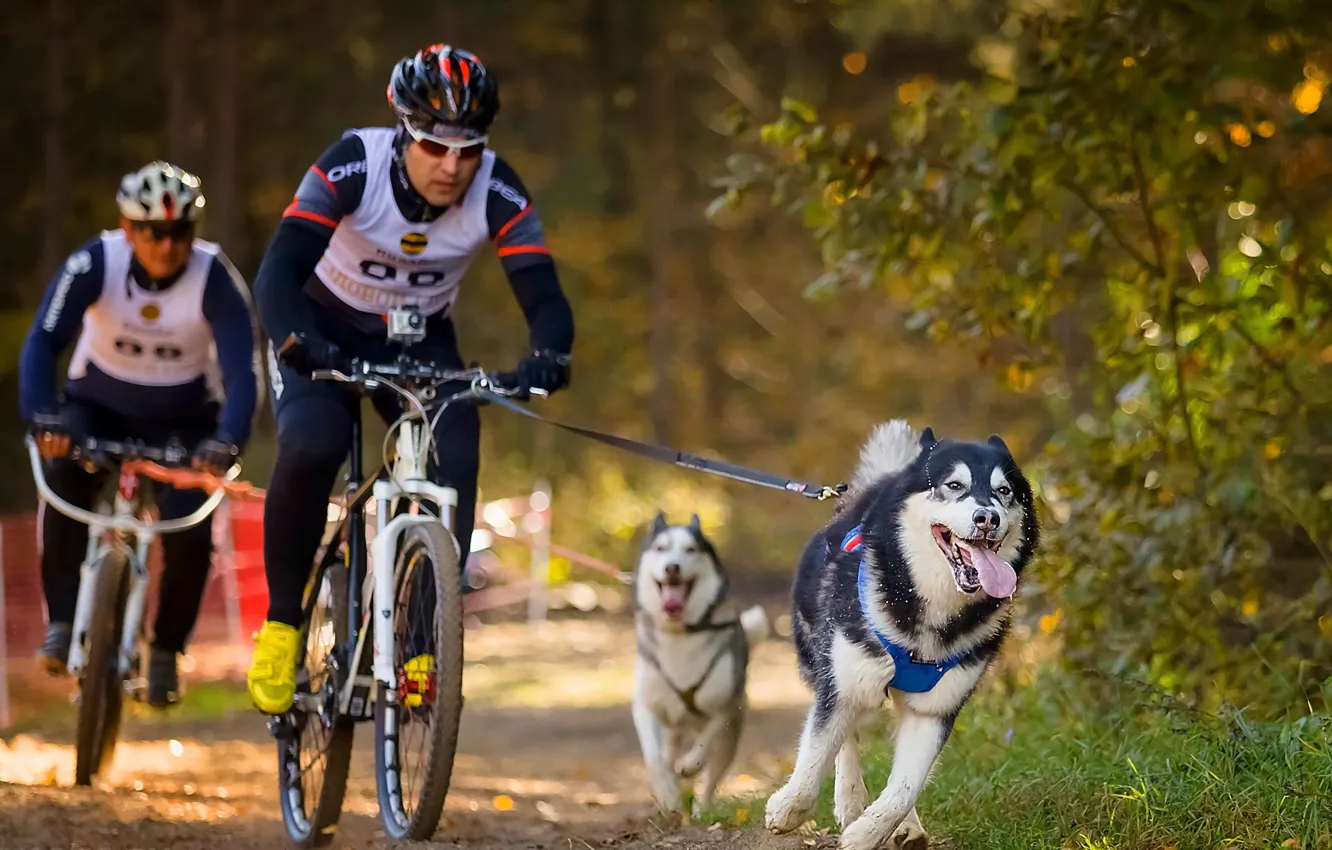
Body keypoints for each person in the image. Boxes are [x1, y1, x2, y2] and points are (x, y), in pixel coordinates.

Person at [245, 44, 575, 714]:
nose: (453, 166)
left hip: (420, 337)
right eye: (434, 146)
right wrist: (295, 342)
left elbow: (544, 294)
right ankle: (283, 625)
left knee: (456, 450)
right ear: (402, 130)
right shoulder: (351, 165)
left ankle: (422, 638)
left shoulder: (499, 188)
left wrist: (548, 354)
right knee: (313, 443)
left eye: (469, 148)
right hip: (320, 326)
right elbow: (278, 271)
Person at [18, 161, 261, 707]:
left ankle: (165, 651)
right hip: (96, 407)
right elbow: (41, 343)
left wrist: (227, 441)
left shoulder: (214, 276)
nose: (166, 244)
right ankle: (61, 622)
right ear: (128, 229)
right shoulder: (93, 262)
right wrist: (41, 417)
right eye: (152, 231)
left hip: (184, 419)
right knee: (61, 482)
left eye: (179, 233)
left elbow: (244, 372)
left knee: (191, 530)